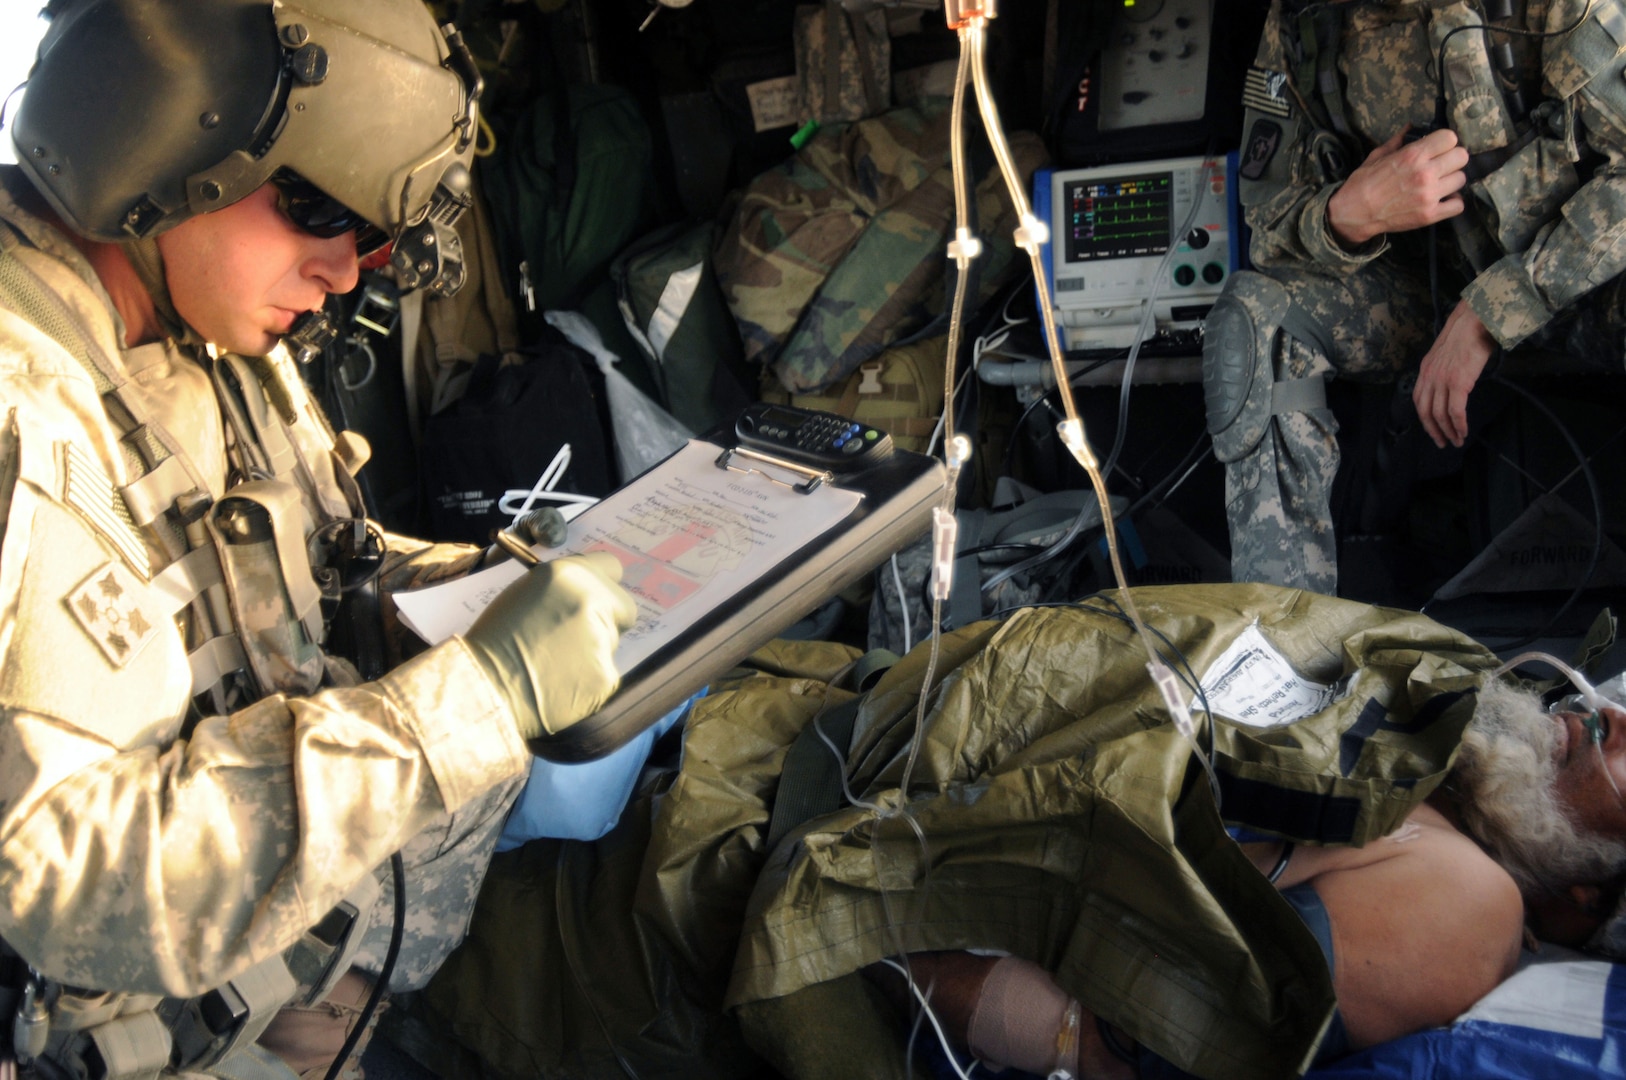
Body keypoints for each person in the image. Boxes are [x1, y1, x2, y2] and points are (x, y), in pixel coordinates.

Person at [0, 1, 637, 1077]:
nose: (347, 272)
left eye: (374, 237)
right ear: (162, 132)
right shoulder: (26, 403)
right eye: (323, 213)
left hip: (308, 985)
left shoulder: (206, 332)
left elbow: (324, 567)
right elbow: (65, 885)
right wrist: (478, 697)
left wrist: (491, 579)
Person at [401, 583, 1626, 1080]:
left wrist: (867, 921)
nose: (1605, 716)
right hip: (807, 734)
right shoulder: (1437, 709)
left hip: (780, 859)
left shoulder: (1477, 907)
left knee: (421, 926)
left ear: (1594, 902)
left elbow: (1113, 1036)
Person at [1201, 0, 1626, 594]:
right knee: (1255, 316)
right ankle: (1284, 647)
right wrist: (1348, 213)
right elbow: (1267, 213)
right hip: (1411, 292)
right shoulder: (1303, 16)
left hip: (1577, 275)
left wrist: (1488, 311)